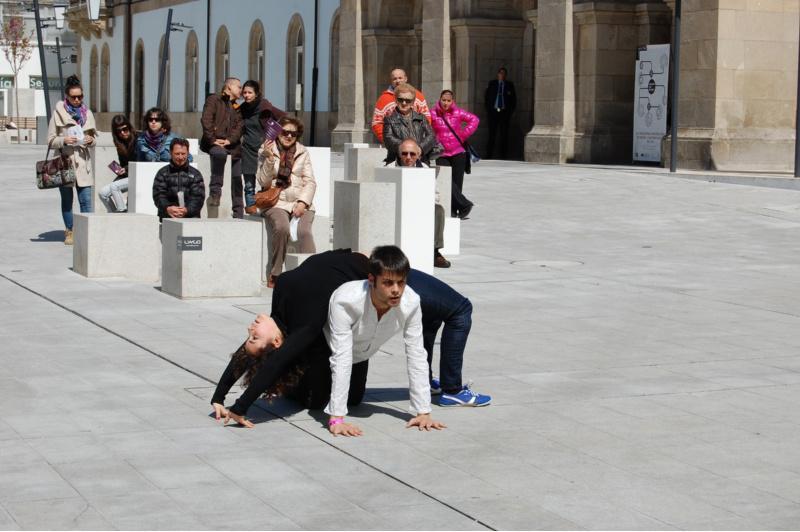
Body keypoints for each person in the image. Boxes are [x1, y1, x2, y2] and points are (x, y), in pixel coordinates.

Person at [210, 248, 487, 431]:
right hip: (379, 282)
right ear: (276, 343)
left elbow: (245, 355)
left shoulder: (281, 292)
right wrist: (241, 407)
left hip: (381, 272)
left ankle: (432, 386)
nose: (250, 329)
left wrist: (218, 396)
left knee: (428, 315)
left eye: (248, 335)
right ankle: (447, 390)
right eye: (254, 338)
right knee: (459, 310)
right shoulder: (306, 326)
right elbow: (277, 362)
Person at [324, 246, 446, 436]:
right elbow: (341, 357)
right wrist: (336, 418)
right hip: (324, 350)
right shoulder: (345, 300)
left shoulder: (411, 302)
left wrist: (423, 411)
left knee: (355, 399)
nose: (396, 290)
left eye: (401, 282)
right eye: (388, 283)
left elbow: (417, 354)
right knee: (313, 400)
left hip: (360, 355)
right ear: (372, 280)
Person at [256, 116, 316, 288]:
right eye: (285, 132)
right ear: (277, 133)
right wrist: (268, 159)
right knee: (282, 228)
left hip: (300, 201)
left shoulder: (303, 152)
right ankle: (275, 272)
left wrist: (303, 203)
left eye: (293, 134)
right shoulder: (265, 150)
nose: (289, 136)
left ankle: (313, 273)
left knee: (305, 232)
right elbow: (263, 182)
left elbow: (310, 181)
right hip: (275, 201)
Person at [47, 75, 97, 245]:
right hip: (65, 163)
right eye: (73, 97)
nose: (77, 100)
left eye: (80, 96)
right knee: (67, 201)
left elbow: (93, 138)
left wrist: (91, 140)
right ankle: (70, 231)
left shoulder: (87, 113)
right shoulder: (58, 114)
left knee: (86, 201)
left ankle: (87, 232)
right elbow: (50, 140)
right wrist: (64, 140)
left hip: (83, 164)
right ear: (67, 97)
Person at [392, 139, 450, 269]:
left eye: (412, 154)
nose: (408, 157)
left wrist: (425, 204)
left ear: (418, 155)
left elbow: (435, 194)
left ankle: (434, 252)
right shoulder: (390, 168)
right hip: (397, 207)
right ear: (399, 154)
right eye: (404, 153)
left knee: (438, 209)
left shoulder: (424, 169)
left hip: (419, 206)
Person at [237, 79, 286, 215]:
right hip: (248, 149)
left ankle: (265, 210)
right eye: (244, 92)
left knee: (266, 183)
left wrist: (273, 135)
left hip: (264, 151)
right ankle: (251, 213)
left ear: (256, 93)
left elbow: (284, 117)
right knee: (248, 185)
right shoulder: (242, 109)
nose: (246, 95)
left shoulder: (265, 106)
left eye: (250, 92)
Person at [431, 89, 479, 219]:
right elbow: (426, 127)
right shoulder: (433, 114)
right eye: (443, 100)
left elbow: (474, 120)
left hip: (458, 152)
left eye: (448, 100)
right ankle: (461, 206)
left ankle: (456, 210)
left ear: (452, 101)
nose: (446, 103)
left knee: (457, 183)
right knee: (446, 181)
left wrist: (463, 134)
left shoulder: (457, 112)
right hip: (442, 153)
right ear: (439, 100)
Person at [200, 77, 244, 216]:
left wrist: (230, 140)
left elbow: (239, 126)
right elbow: (206, 119)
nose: (241, 90)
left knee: (237, 177)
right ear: (229, 87)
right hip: (214, 143)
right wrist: (212, 140)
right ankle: (215, 192)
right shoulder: (214, 99)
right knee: (219, 154)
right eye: (239, 87)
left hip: (232, 146)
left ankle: (238, 212)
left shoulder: (237, 107)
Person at [383, 83, 442, 166]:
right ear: (396, 100)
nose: (404, 103)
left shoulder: (421, 118)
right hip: (398, 161)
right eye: (400, 99)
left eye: (408, 100)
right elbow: (388, 139)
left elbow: (431, 136)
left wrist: (420, 148)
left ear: (413, 102)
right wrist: (408, 148)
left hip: (420, 161)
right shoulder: (389, 119)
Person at [371, 68, 430, 145]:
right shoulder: (383, 99)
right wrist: (388, 141)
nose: (398, 81)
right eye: (394, 79)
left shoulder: (418, 96)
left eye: (400, 78)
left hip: (416, 145)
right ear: (391, 81)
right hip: (394, 145)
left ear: (405, 79)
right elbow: (377, 123)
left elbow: (427, 118)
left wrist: (421, 140)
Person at [152, 137, 206, 220]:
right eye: (177, 154)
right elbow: (159, 195)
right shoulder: (162, 173)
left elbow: (198, 197)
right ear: (171, 153)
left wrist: (187, 210)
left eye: (183, 153)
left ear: (188, 153)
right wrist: (168, 208)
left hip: (191, 219)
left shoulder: (195, 174)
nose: (180, 157)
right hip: (168, 218)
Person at [98, 114, 137, 213]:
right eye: (119, 131)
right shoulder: (119, 143)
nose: (123, 133)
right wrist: (120, 170)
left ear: (129, 126)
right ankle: (114, 215)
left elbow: (143, 160)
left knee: (114, 187)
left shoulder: (139, 139)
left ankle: (121, 212)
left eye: (124, 129)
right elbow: (123, 163)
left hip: (139, 174)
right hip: (127, 175)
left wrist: (127, 169)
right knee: (102, 193)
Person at [484, 67, 516, 159]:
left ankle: (503, 155)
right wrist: (489, 110)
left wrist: (510, 112)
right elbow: (487, 98)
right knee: (491, 134)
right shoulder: (492, 84)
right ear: (497, 74)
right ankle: (489, 155)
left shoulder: (509, 85)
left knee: (504, 135)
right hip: (493, 113)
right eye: (500, 73)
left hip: (504, 113)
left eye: (504, 73)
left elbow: (513, 100)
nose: (502, 75)